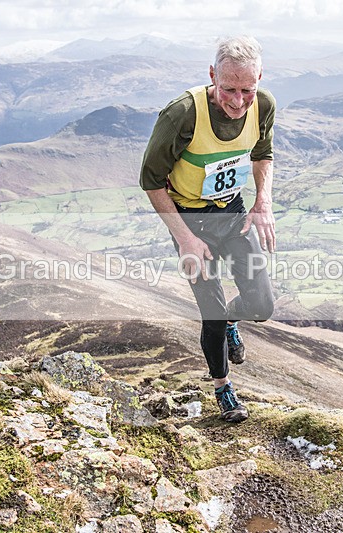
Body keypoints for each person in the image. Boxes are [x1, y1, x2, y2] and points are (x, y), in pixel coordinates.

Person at [140, 36, 276, 423]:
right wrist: (184, 238)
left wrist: (262, 202)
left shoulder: (263, 105)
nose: (237, 101)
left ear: (259, 79)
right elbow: (150, 180)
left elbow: (262, 154)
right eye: (228, 89)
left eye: (246, 90)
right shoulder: (182, 114)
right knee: (212, 312)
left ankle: (235, 323)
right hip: (189, 221)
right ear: (212, 75)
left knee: (262, 304)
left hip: (233, 213)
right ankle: (223, 389)